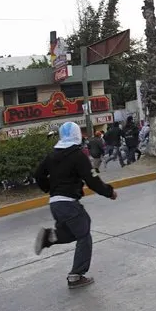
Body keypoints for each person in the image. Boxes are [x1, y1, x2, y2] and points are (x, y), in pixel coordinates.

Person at [34, 122, 118, 289]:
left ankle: (49, 237)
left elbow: (38, 174)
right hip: (69, 204)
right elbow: (92, 179)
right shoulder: (78, 155)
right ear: (77, 135)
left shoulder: (52, 155)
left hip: (55, 204)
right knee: (84, 234)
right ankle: (76, 275)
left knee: (73, 233)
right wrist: (109, 192)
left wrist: (48, 188)